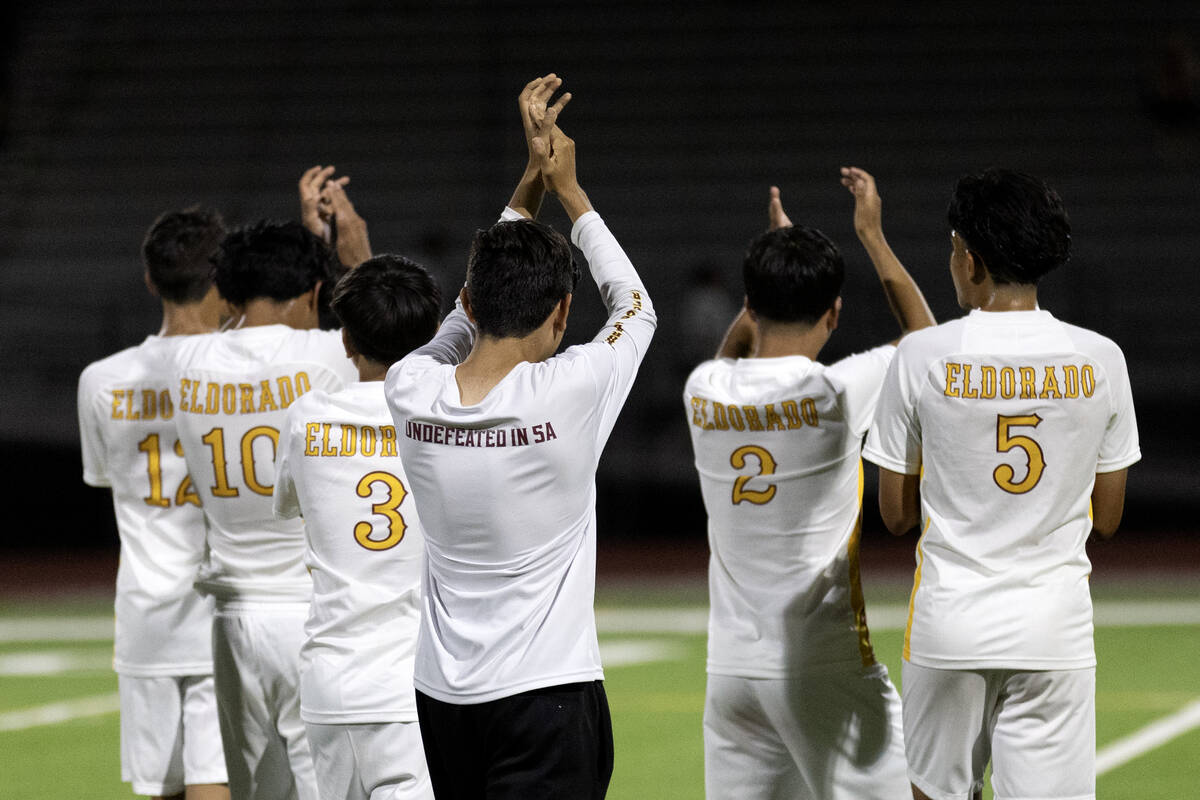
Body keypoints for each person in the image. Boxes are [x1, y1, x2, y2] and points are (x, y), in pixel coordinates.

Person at [383, 74, 655, 799]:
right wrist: (569, 190)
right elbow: (635, 306)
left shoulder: (411, 390)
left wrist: (528, 181)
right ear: (563, 313)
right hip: (547, 694)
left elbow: (460, 323)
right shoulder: (571, 390)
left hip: (442, 698)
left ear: (467, 301)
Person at [863, 168, 1140, 800]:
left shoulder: (923, 355)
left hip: (949, 622)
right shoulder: (1102, 358)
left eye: (954, 248)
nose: (953, 261)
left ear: (975, 259)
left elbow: (897, 516)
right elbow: (1110, 516)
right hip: (1054, 625)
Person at [684, 169, 934, 799]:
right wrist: (872, 236)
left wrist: (772, 264)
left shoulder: (702, 390)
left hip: (732, 673)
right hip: (823, 664)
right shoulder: (836, 392)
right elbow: (928, 343)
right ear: (835, 311)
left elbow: (733, 356)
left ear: (748, 302)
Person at [171, 208, 360, 800]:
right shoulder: (330, 357)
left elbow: (235, 333)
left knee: (258, 794)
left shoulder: (183, 366)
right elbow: (386, 326)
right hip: (312, 613)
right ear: (313, 293)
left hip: (231, 620)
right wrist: (347, 253)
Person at [273, 256, 442, 800]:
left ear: (345, 341)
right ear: (434, 334)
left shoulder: (306, 417)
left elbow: (289, 506)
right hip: (410, 687)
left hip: (328, 683)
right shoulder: (446, 417)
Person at [77, 208, 231, 800]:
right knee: (218, 782)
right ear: (220, 277)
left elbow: (104, 478)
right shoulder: (241, 372)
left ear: (150, 280)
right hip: (223, 607)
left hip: (144, 613)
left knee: (161, 789)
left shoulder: (101, 379)